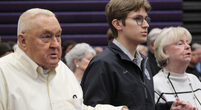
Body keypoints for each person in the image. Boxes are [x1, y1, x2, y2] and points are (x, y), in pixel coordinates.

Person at [0, 8, 128, 110]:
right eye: (46, 36)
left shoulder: (63, 70)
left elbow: (79, 108)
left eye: (58, 35)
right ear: (23, 41)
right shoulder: (3, 73)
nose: (55, 44)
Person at [81, 0, 195, 110]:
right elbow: (92, 108)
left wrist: (167, 107)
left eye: (146, 19)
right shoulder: (102, 63)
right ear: (118, 24)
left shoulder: (143, 62)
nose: (146, 25)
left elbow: (140, 106)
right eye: (138, 19)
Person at [153, 26, 201, 110]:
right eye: (180, 43)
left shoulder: (195, 80)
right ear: (164, 51)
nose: (188, 47)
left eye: (187, 43)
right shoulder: (155, 84)